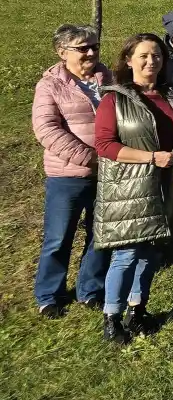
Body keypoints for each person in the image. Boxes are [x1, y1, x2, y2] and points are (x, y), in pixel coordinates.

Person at [92, 33, 173, 343]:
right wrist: (151, 158)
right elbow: (105, 145)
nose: (151, 61)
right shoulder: (114, 99)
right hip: (129, 189)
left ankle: (138, 309)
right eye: (143, 55)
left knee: (151, 253)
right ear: (129, 60)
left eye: (157, 55)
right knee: (127, 255)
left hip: (165, 186)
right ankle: (112, 317)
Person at [32, 24, 111, 318]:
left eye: (94, 46)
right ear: (62, 52)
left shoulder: (107, 78)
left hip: (106, 173)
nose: (91, 52)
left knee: (100, 233)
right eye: (82, 48)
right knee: (58, 236)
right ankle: (49, 294)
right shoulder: (50, 85)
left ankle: (89, 289)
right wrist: (89, 158)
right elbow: (46, 129)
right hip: (67, 175)